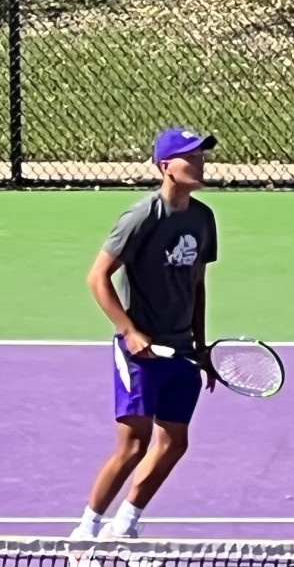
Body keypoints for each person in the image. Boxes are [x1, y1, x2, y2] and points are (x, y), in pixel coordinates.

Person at [70, 127, 220, 540]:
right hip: (139, 351)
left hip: (181, 350)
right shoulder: (141, 217)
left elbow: (196, 285)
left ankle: (125, 526)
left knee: (174, 443)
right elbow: (97, 277)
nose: (200, 162)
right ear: (166, 167)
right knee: (133, 445)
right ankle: (84, 534)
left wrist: (201, 346)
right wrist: (129, 331)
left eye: (201, 155)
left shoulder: (203, 218)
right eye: (190, 157)